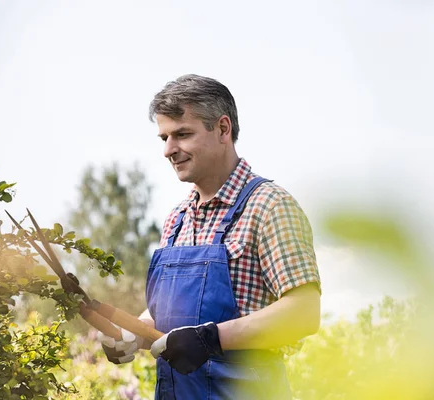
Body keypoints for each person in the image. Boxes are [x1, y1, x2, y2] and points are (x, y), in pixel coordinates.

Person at [98, 74, 321, 399]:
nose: (169, 150)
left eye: (182, 134)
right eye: (164, 138)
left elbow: (304, 312)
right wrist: (135, 333)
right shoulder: (177, 218)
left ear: (223, 129)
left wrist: (211, 339)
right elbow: (167, 319)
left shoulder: (269, 206)